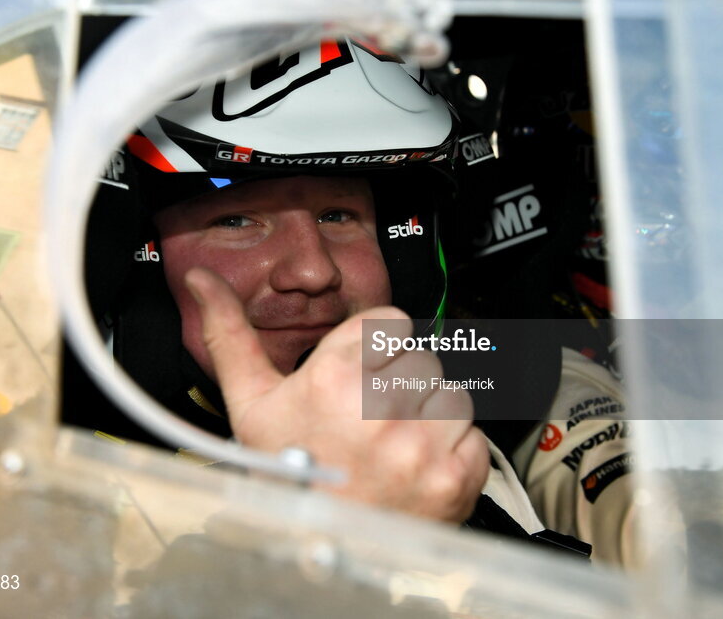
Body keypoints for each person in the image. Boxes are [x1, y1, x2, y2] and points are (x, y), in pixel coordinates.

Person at [83, 37, 671, 567]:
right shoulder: (62, 489)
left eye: (338, 215)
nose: (314, 270)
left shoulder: (463, 418)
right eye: (235, 220)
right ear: (135, 262)